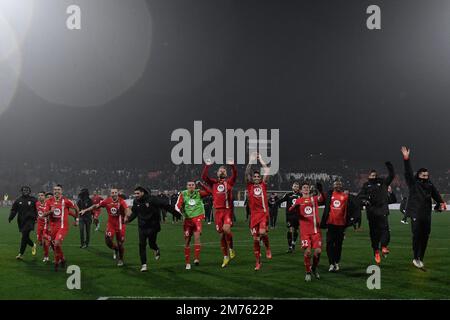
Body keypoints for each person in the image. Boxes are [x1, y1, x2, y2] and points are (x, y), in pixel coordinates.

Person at [400, 146, 446, 270]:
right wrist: (406, 159)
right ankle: (415, 257)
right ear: (419, 175)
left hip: (427, 215)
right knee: (417, 236)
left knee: (425, 237)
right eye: (424, 175)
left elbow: (436, 194)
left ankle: (420, 258)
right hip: (416, 214)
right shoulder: (413, 184)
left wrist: (442, 202)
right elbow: (408, 173)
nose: (426, 177)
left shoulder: (430, 185)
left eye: (427, 175)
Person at [125, 186, 180, 272]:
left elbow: (165, 205)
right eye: (135, 193)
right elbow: (135, 212)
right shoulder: (136, 201)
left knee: (151, 244)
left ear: (142, 193)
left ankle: (156, 249)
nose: (136, 195)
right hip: (142, 227)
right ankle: (144, 265)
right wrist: (128, 220)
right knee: (141, 245)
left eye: (138, 193)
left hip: (153, 226)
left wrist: (177, 214)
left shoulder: (152, 199)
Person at [201, 159, 237, 268]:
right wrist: (207, 166)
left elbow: (235, 174)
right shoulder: (214, 183)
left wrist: (232, 166)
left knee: (226, 230)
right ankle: (225, 257)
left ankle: (231, 249)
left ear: (226, 174)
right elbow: (204, 177)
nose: (222, 172)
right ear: (217, 173)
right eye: (220, 170)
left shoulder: (229, 182)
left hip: (226, 211)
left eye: (224, 171)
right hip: (217, 212)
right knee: (222, 235)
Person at [81, 188, 131, 266]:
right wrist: (85, 210)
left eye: (115, 192)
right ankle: (115, 248)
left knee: (120, 243)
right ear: (110, 194)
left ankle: (120, 259)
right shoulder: (107, 201)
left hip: (120, 224)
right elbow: (96, 206)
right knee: (108, 241)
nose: (114, 194)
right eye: (112, 192)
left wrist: (126, 216)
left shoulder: (121, 201)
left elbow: (127, 209)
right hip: (111, 224)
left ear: (117, 193)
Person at [358, 161, 395, 265]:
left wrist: (389, 166)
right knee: (374, 234)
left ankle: (383, 247)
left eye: (375, 175)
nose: (374, 176)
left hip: (382, 211)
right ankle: (376, 251)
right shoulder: (366, 185)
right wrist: (365, 200)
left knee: (385, 231)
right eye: (372, 175)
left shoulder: (382, 182)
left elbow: (392, 175)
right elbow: (360, 197)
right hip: (372, 213)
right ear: (368, 176)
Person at [320, 180, 359, 272]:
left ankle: (336, 262)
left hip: (341, 225)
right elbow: (321, 200)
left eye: (339, 184)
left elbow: (353, 207)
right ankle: (331, 263)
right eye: (336, 184)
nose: (337, 186)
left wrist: (352, 219)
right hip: (330, 224)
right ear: (333, 186)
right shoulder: (330, 195)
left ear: (341, 186)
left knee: (338, 245)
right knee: (329, 244)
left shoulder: (345, 196)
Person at [289, 182, 325, 282]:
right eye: (304, 187)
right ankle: (308, 272)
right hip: (305, 232)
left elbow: (321, 198)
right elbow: (290, 210)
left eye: (307, 187)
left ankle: (314, 268)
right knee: (308, 252)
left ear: (309, 189)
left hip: (316, 231)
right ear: (301, 190)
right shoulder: (298, 200)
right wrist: (294, 209)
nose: (305, 189)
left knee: (318, 252)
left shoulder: (314, 199)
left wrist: (320, 190)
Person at [175, 181, 211, 269]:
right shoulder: (183, 194)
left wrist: (202, 185)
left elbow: (210, 192)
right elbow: (177, 205)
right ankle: (187, 262)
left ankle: (196, 259)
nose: (191, 186)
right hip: (187, 220)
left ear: (195, 186)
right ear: (186, 186)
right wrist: (179, 212)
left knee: (197, 237)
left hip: (197, 218)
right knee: (187, 240)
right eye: (189, 185)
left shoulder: (198, 193)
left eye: (193, 185)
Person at [245, 152, 272, 271]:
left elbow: (267, 171)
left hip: (263, 213)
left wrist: (260, 159)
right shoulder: (249, 186)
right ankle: (258, 262)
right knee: (256, 239)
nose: (256, 178)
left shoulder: (263, 184)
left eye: (258, 177)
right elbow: (246, 173)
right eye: (254, 177)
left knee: (262, 233)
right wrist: (250, 161)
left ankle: (267, 248)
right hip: (254, 216)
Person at [43, 185, 79, 271]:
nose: (56, 191)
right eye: (55, 190)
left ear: (61, 191)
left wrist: (77, 219)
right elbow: (43, 214)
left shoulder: (66, 201)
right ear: (53, 191)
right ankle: (62, 259)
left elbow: (77, 208)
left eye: (58, 189)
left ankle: (56, 263)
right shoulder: (48, 201)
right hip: (53, 227)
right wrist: (50, 211)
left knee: (57, 243)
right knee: (55, 245)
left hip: (63, 227)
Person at [8, 186, 38, 260]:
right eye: (24, 190)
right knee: (25, 237)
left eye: (27, 190)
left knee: (24, 235)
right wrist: (11, 217)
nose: (26, 191)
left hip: (30, 220)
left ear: (29, 191)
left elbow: (38, 208)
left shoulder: (34, 199)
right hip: (21, 221)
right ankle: (33, 245)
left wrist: (37, 217)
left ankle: (20, 254)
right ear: (21, 191)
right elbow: (14, 210)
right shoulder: (18, 200)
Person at [276, 182, 302, 253]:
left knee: (296, 230)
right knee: (290, 230)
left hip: (297, 215)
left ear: (298, 188)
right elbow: (281, 200)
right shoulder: (288, 195)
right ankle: (290, 247)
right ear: (292, 187)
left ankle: (293, 242)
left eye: (297, 186)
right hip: (289, 215)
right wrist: (275, 204)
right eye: (295, 186)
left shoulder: (301, 195)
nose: (296, 187)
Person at [36, 191, 51, 262]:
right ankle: (50, 241)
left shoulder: (48, 204)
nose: (40, 197)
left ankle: (46, 256)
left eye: (42, 195)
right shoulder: (37, 203)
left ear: (44, 197)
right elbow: (37, 213)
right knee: (39, 241)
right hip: (39, 225)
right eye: (39, 195)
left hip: (46, 225)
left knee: (45, 241)